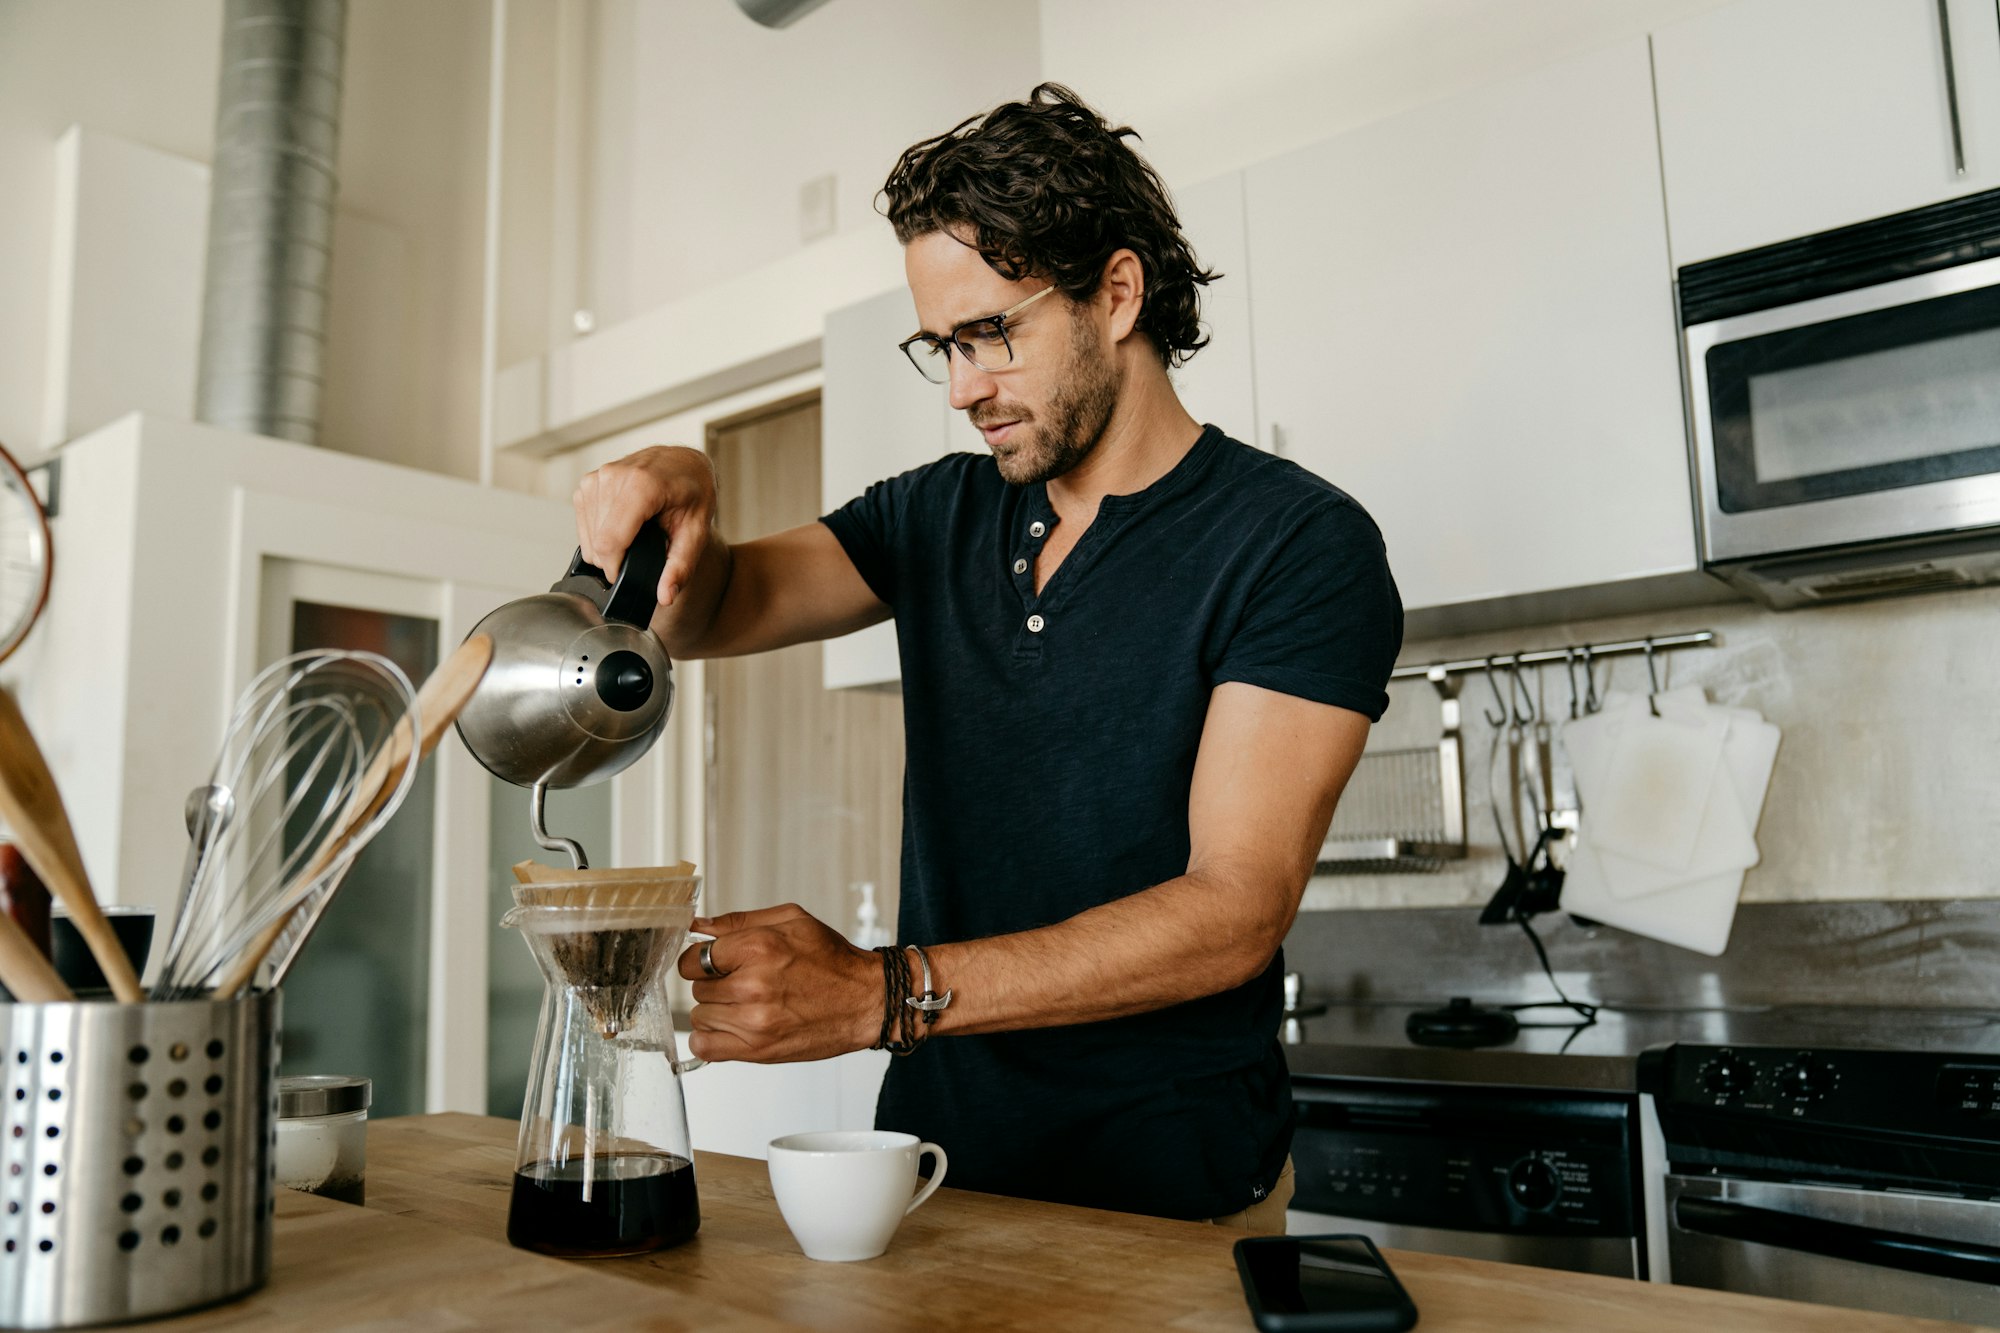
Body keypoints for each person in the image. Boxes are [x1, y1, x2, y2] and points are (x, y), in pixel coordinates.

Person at [570, 83, 1402, 1225]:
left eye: (992, 332)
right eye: (941, 347)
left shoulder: (1295, 543)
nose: (964, 388)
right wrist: (689, 492)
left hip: (1175, 1196)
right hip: (934, 1174)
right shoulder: (936, 516)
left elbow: (1231, 909)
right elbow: (717, 608)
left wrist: (883, 991)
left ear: (1116, 292)